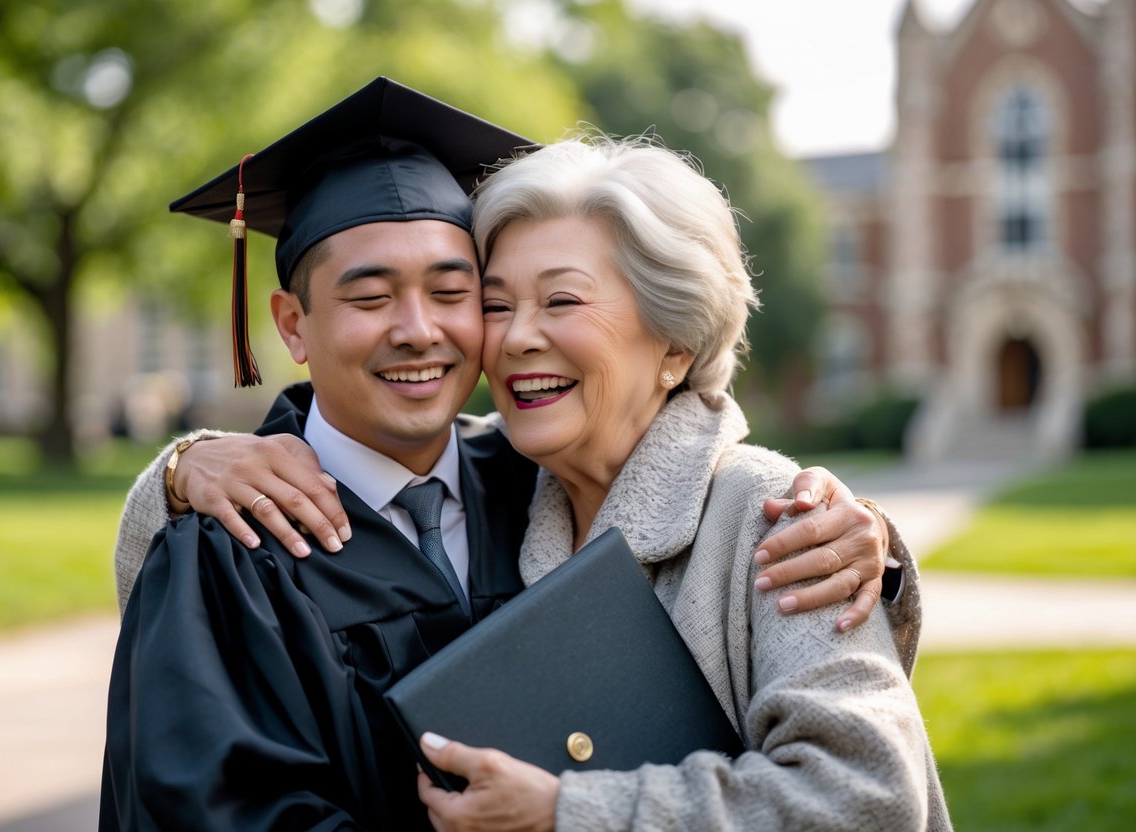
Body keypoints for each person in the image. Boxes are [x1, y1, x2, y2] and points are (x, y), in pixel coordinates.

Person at [102, 79, 917, 831]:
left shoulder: (547, 487)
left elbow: (867, 787)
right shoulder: (231, 540)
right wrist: (178, 469)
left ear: (675, 342)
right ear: (291, 326)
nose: (420, 329)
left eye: (458, 294)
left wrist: (873, 546)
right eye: (370, 295)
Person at [405, 135, 951, 831]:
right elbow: (365, 449)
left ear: (674, 345)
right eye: (495, 304)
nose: (514, 339)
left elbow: (864, 797)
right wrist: (219, 455)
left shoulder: (779, 519)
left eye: (561, 300)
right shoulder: (502, 490)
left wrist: (567, 813)